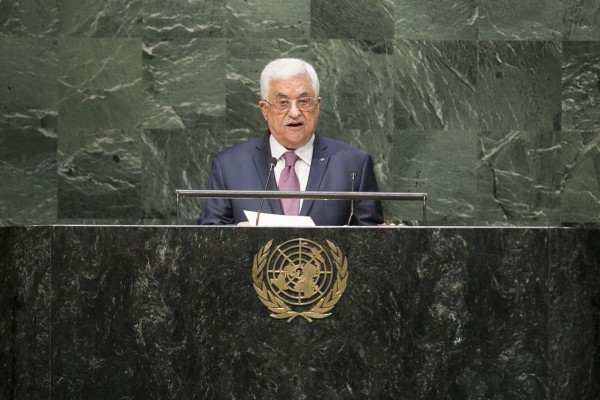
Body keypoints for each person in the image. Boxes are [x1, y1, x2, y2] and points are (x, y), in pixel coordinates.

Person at [199, 58, 383, 226]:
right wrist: (237, 236)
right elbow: (208, 237)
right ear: (264, 110)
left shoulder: (353, 165)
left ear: (317, 106)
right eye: (283, 103)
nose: (294, 112)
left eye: (303, 101)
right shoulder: (229, 166)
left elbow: (372, 242)